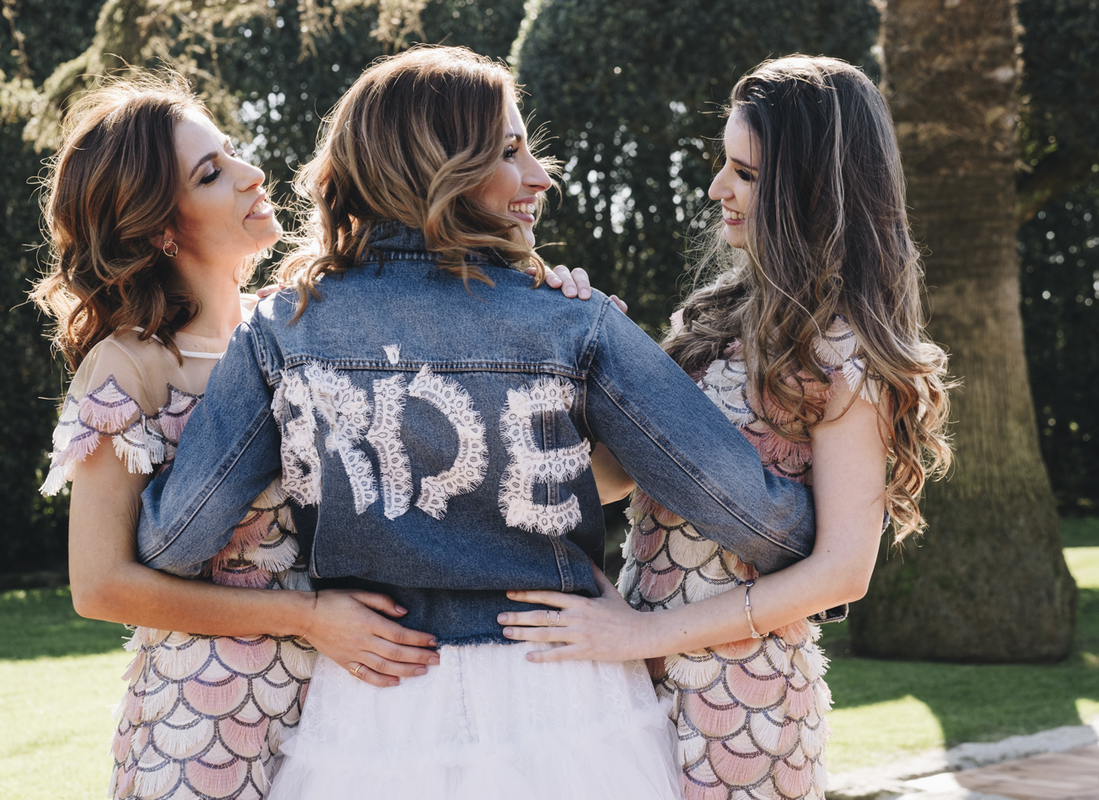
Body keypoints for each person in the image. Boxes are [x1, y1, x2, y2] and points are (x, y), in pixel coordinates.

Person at [135, 46, 821, 800]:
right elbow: (764, 525)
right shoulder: (575, 323)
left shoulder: (278, 332)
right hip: (566, 706)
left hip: (373, 712)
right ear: (439, 169)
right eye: (510, 151)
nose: (542, 177)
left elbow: (173, 542)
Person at [499, 56, 954, 800]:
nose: (717, 188)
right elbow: (611, 482)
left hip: (744, 703)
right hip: (631, 682)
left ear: (809, 191)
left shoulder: (848, 355)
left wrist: (641, 634)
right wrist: (579, 353)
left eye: (745, 172)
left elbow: (844, 570)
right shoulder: (710, 322)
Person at [31, 72, 439, 800]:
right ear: (160, 228)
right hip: (205, 729)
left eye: (231, 152)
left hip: (348, 712)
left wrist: (550, 289)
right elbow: (98, 585)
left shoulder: (294, 326)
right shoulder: (130, 365)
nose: (252, 173)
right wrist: (307, 617)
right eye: (211, 174)